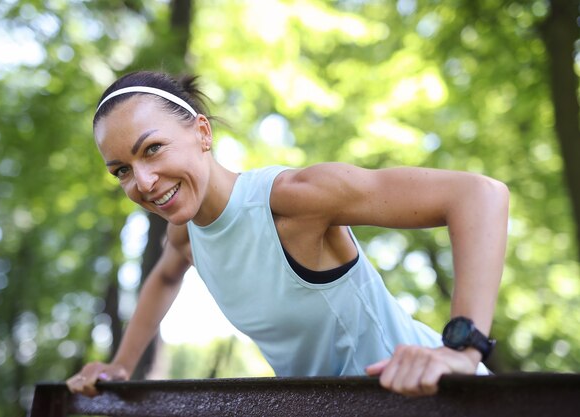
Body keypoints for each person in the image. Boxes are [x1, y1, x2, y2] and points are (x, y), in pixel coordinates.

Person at [66, 71, 509, 398]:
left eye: (153, 149)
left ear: (203, 132)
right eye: (122, 170)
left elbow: (480, 195)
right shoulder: (186, 234)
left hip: (436, 393)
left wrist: (463, 350)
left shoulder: (296, 198)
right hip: (347, 408)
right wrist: (121, 366)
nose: (141, 182)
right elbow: (164, 277)